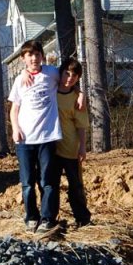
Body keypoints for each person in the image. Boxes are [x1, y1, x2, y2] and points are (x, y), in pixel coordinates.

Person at [8, 40, 62, 234]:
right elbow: (14, 109)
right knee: (27, 183)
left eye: (37, 54)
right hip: (24, 140)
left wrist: (80, 94)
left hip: (47, 137)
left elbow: (69, 82)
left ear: (42, 56)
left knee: (48, 181)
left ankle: (48, 219)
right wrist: (15, 128)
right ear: (23, 59)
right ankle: (31, 217)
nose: (34, 58)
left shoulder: (52, 73)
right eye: (29, 55)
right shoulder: (19, 80)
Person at [51, 58, 91, 229]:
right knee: (51, 185)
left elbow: (81, 125)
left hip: (70, 147)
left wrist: (82, 147)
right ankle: (50, 219)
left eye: (74, 75)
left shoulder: (77, 97)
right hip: (51, 147)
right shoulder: (50, 90)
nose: (69, 78)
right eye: (67, 73)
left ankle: (82, 219)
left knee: (75, 185)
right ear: (60, 73)